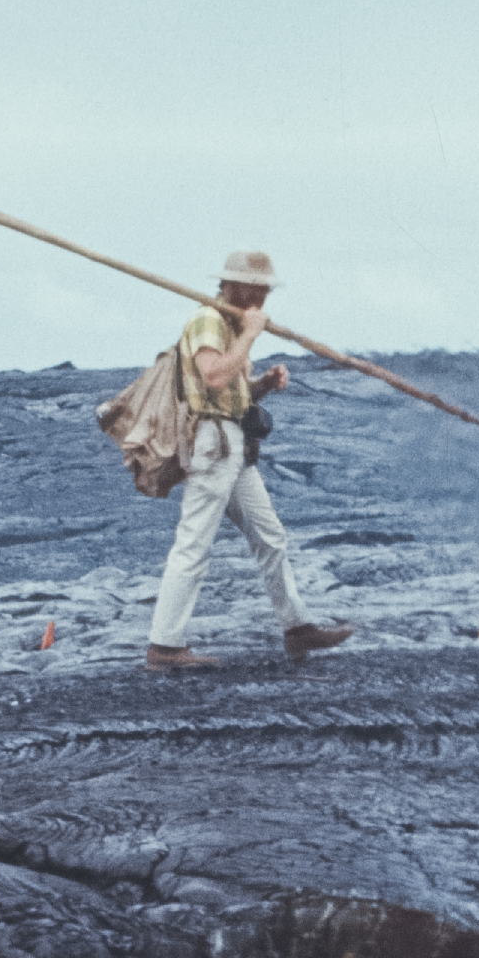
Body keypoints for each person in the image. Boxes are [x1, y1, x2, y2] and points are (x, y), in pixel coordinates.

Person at [142, 250, 355, 670]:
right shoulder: (209, 320)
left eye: (265, 289)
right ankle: (164, 647)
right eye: (255, 287)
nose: (262, 295)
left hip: (232, 443)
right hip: (214, 444)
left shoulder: (229, 325)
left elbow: (229, 392)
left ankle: (297, 628)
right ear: (232, 286)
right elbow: (214, 376)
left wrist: (262, 386)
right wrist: (252, 334)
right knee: (194, 543)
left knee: (269, 536)